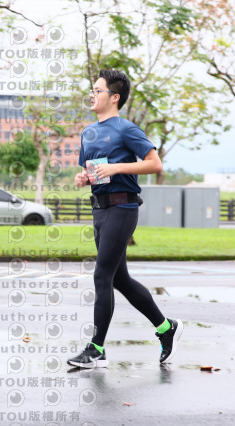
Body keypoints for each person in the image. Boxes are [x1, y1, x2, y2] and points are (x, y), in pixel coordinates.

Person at [67, 69, 183, 369]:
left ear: (114, 97)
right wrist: (83, 178)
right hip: (100, 210)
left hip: (123, 209)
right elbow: (92, 171)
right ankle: (166, 327)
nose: (92, 95)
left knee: (101, 276)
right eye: (92, 90)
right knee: (120, 279)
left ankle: (96, 349)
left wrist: (117, 168)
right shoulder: (88, 133)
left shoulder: (126, 129)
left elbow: (154, 164)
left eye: (98, 90)